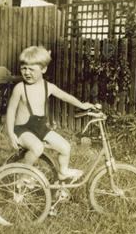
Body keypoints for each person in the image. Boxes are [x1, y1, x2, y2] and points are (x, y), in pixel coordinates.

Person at [6, 45, 95, 180]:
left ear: (43, 69)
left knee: (65, 147)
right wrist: (11, 134)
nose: (27, 72)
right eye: (23, 68)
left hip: (40, 128)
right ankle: (24, 176)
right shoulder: (20, 88)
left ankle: (63, 172)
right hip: (22, 130)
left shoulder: (49, 87)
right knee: (37, 147)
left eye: (31, 69)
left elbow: (66, 97)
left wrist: (82, 105)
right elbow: (11, 111)